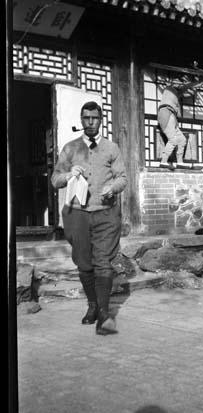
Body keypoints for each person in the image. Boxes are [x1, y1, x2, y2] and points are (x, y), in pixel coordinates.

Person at [51, 101, 127, 335]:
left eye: (95, 118)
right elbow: (55, 179)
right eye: (87, 118)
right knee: (84, 263)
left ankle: (104, 314)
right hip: (78, 214)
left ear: (101, 120)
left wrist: (113, 188)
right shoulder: (70, 148)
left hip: (106, 213)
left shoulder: (112, 148)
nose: (91, 122)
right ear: (82, 120)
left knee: (102, 261)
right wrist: (67, 175)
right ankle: (92, 305)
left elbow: (122, 177)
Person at [158, 76, 203, 170]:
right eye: (177, 82)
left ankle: (180, 162)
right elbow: (186, 86)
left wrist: (199, 84)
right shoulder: (169, 89)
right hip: (165, 112)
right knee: (173, 139)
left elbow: (187, 90)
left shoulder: (176, 94)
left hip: (172, 116)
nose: (178, 83)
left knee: (182, 140)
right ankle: (163, 161)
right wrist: (200, 81)